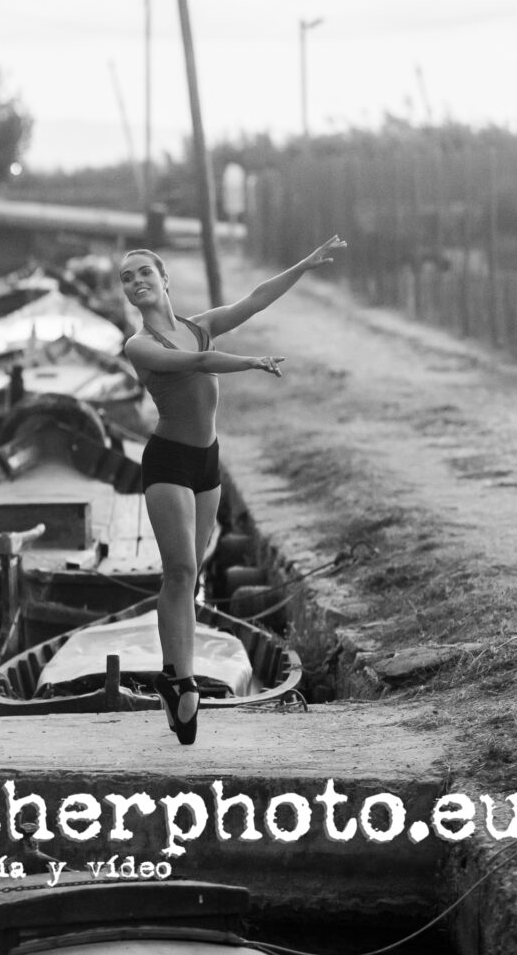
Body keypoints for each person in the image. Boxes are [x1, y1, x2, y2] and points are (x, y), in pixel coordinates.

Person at [120, 236, 347, 744]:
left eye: (143, 272)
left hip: (208, 462)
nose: (136, 282)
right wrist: (248, 362)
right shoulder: (140, 346)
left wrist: (303, 263)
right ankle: (180, 678)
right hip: (169, 461)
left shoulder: (199, 327)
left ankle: (176, 678)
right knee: (177, 571)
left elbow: (255, 299)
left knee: (193, 575)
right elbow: (199, 365)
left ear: (163, 280)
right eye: (127, 277)